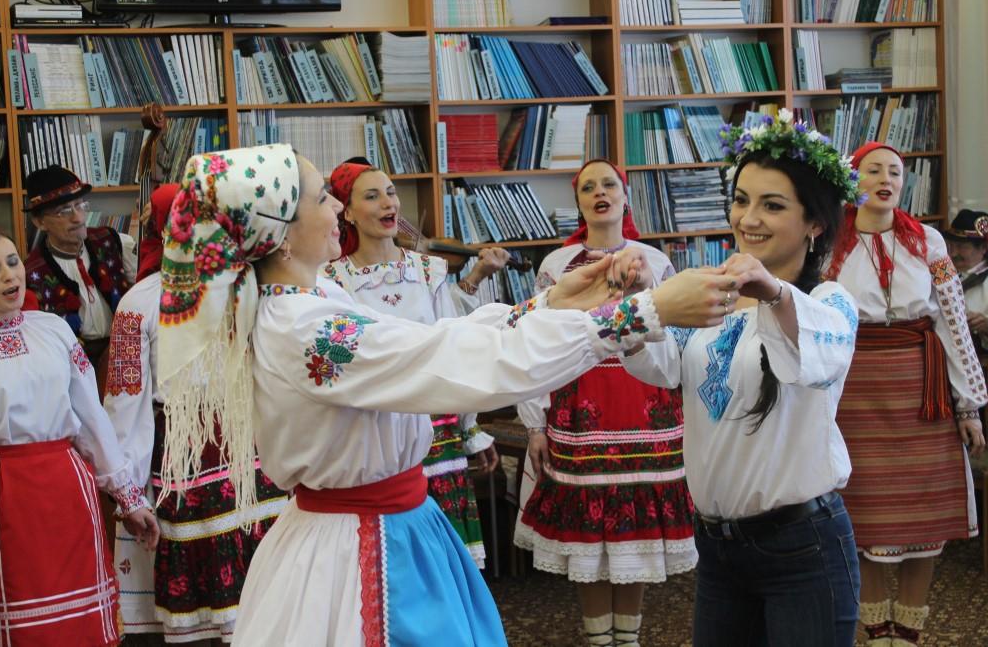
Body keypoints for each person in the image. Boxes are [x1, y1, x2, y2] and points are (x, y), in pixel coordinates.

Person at [153, 143, 740, 646]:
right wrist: (644, 311)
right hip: (360, 544)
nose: (337, 206)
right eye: (320, 198)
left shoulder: (308, 307)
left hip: (387, 525)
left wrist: (556, 301)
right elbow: (446, 360)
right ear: (278, 233)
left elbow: (433, 340)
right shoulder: (303, 328)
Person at [618, 111, 862, 646]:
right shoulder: (714, 297)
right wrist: (635, 301)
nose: (748, 217)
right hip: (719, 549)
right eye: (742, 199)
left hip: (803, 547)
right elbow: (662, 365)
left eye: (772, 205)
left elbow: (814, 357)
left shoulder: (828, 304)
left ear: (815, 224)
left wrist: (771, 290)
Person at [512, 159, 696, 647]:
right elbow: (535, 342)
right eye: (588, 187)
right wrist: (535, 423)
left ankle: (628, 637)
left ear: (625, 195)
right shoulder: (558, 264)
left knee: (635, 525)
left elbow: (675, 335)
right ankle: (598, 639)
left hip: (645, 401)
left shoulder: (654, 261)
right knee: (588, 526)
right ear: (577, 203)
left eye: (608, 184)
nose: (599, 192)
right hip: (580, 402)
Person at [104, 183, 288, 643]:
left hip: (253, 445)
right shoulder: (139, 304)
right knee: (207, 592)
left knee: (271, 580)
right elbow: (126, 401)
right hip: (185, 457)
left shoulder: (245, 283)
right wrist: (129, 491)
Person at [825, 142, 987, 647]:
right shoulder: (832, 241)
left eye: (895, 171)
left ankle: (910, 630)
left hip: (924, 390)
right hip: (856, 389)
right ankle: (876, 633)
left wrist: (969, 405)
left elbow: (952, 321)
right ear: (854, 180)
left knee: (926, 517)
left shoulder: (929, 242)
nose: (886, 178)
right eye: (873, 169)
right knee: (865, 518)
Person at [321, 160, 509, 567]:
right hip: (374, 431)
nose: (388, 203)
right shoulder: (330, 281)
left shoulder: (429, 270)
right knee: (391, 561)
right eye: (372, 196)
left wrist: (470, 428)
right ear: (347, 212)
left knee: (444, 560)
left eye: (391, 192)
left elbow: (454, 348)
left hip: (434, 427)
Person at [0, 226, 158, 646]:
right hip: (6, 497)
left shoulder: (51, 329)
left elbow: (91, 418)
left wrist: (128, 497)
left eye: (12, 262)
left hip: (67, 489)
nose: (8, 277)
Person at [23, 164, 136, 361]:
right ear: (39, 222)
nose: (78, 218)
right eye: (64, 211)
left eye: (81, 205)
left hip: (127, 354)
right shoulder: (31, 274)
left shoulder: (112, 241)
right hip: (74, 367)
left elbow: (148, 285)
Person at [943, 209, 988, 355]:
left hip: (978, 363)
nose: (953, 253)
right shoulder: (940, 276)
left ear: (983, 248)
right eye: (951, 245)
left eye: (961, 247)